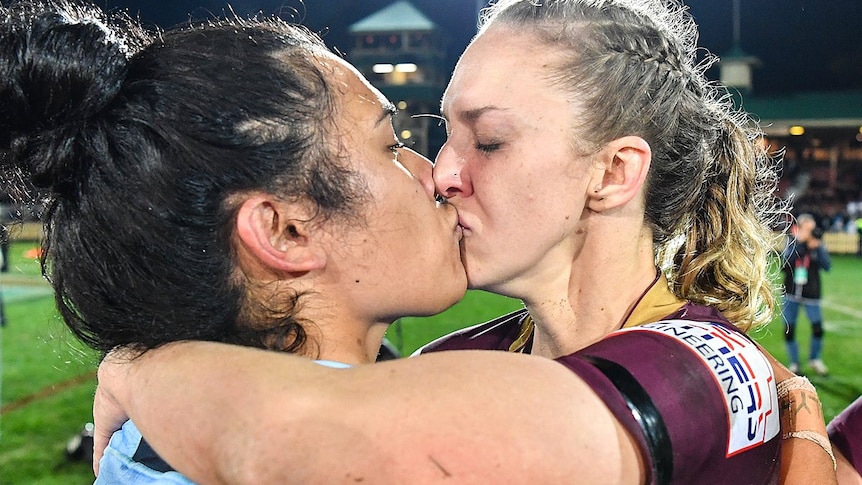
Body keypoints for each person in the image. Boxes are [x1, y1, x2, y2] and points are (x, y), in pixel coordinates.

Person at [90, 0, 838, 483]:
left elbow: (320, 435)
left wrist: (144, 371)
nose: (443, 172)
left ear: (612, 172)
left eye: (489, 140)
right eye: (443, 132)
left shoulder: (706, 364)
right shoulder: (450, 365)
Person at [0, 1, 467, 482]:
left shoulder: (148, 444)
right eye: (390, 147)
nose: (434, 174)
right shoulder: (434, 452)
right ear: (283, 231)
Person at [781, 213, 832, 375]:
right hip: (791, 292)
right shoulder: (792, 242)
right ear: (800, 228)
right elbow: (784, 264)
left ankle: (815, 359)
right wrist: (801, 245)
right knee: (789, 329)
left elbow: (827, 266)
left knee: (817, 328)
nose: (810, 232)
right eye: (807, 229)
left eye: (812, 229)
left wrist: (817, 248)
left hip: (812, 293)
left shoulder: (818, 244)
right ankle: (794, 363)